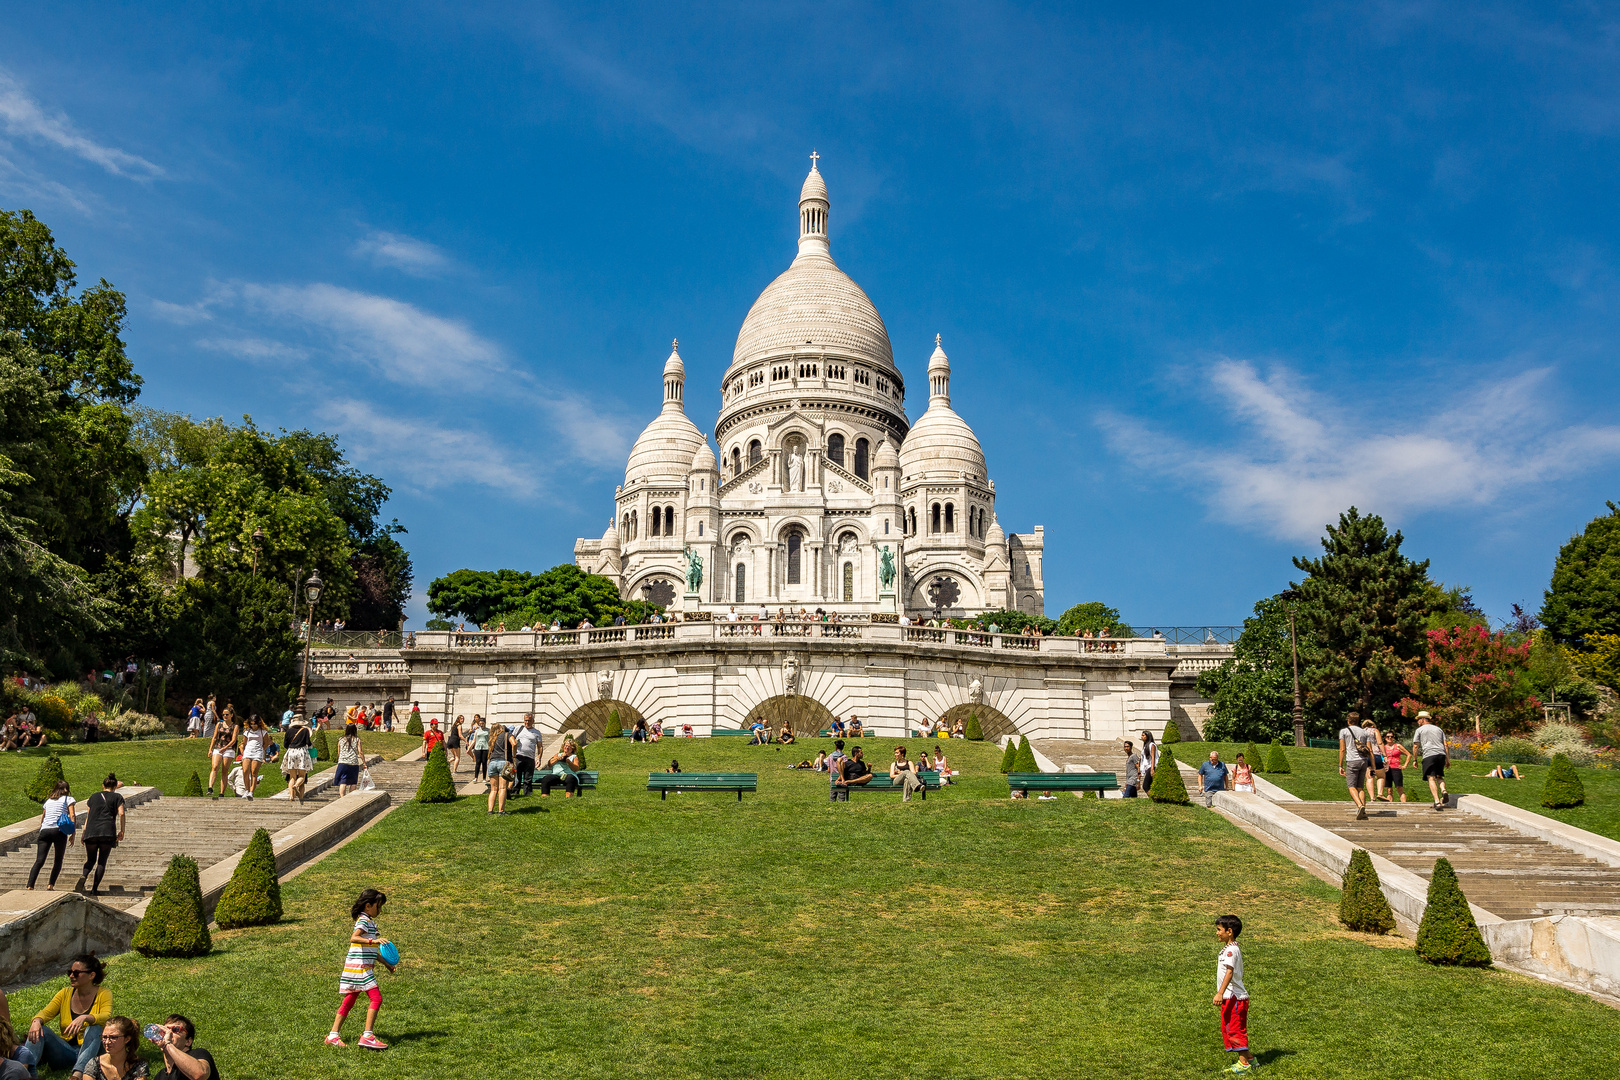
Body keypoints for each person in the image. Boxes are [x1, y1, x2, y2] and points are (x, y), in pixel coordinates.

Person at [19, 953, 109, 1075]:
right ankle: (23, 1072)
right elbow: (46, 1012)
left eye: (76, 973)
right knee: (40, 1029)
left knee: (95, 1027)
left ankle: (78, 1073)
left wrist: (86, 1017)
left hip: (92, 1054)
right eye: (69, 972)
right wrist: (36, 1021)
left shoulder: (103, 993)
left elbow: (106, 1016)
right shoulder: (65, 993)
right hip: (66, 1052)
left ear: (91, 975)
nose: (71, 976)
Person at [328, 888, 394, 1051]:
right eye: (378, 906)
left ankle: (332, 1036)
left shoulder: (369, 921)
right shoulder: (363, 921)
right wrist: (375, 940)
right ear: (368, 906)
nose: (380, 910)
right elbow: (354, 938)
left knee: (350, 1000)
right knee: (376, 998)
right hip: (360, 968)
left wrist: (386, 963)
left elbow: (370, 950)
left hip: (357, 966)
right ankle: (367, 1036)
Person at [1211, 915, 1255, 1073]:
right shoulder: (1229, 949)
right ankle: (1251, 1059)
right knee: (1229, 1028)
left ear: (1229, 931)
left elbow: (1229, 972)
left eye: (1219, 930)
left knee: (1236, 1029)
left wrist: (1219, 993)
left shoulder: (1231, 951)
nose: (1217, 933)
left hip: (1235, 997)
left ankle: (1243, 1065)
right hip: (1231, 998)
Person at [79, 774, 125, 897]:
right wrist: (122, 831)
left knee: (90, 860)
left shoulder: (93, 797)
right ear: (115, 786)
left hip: (91, 832)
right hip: (107, 832)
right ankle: (94, 888)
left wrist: (84, 832)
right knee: (101, 862)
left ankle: (84, 875)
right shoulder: (117, 797)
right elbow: (121, 813)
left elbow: (88, 816)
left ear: (103, 786)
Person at [27, 780, 75, 890]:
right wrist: (73, 833)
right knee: (58, 859)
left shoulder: (48, 801)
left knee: (39, 860)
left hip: (45, 830)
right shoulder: (69, 799)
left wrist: (42, 828)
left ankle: (30, 885)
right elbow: (72, 815)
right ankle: (50, 884)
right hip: (59, 830)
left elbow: (43, 817)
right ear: (67, 789)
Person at [150, 1014, 220, 1080]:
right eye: (165, 1030)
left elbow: (200, 1074)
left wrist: (168, 1044)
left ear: (188, 1041)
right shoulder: (160, 1076)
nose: (168, 1033)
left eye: (176, 1029)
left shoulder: (198, 1054)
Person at [1338, 710, 1376, 821]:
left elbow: (1342, 749)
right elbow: (1369, 750)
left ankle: (1360, 806)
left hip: (1352, 760)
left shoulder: (1344, 731)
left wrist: (1340, 765)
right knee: (1360, 787)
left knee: (1351, 786)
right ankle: (1363, 811)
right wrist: (1373, 766)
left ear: (1349, 720)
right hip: (1363, 761)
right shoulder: (1365, 732)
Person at [80, 1015, 144, 1079]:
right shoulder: (94, 1065)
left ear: (127, 1039)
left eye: (113, 1037)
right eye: (104, 1037)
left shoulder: (138, 1066)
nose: (107, 1042)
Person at [1411, 711, 1450, 811]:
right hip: (1441, 754)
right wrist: (1447, 759)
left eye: (1419, 719)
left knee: (1431, 777)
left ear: (1423, 719)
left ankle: (1437, 801)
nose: (1418, 721)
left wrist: (1415, 759)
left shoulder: (1420, 730)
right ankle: (1444, 790)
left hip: (1429, 755)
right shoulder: (1439, 729)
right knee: (1439, 776)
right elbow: (1445, 744)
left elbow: (1416, 746)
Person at [282, 719, 315, 804]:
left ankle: (291, 796)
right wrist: (312, 744)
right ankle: (296, 785)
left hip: (291, 751)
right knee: (302, 775)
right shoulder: (305, 730)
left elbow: (285, 744)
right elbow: (308, 742)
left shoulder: (289, 731)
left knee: (292, 777)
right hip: (301, 752)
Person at [205, 713, 237, 800]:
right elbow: (215, 737)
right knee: (215, 767)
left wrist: (225, 748)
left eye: (227, 714)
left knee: (224, 770)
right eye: (223, 714)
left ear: (231, 715)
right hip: (218, 747)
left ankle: (222, 792)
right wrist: (210, 749)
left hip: (229, 748)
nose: (224, 716)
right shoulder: (219, 724)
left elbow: (234, 740)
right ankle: (210, 787)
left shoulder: (235, 726)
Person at [239, 715, 269, 800]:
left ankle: (251, 791)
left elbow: (266, 743)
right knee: (245, 771)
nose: (253, 725)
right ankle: (247, 790)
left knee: (254, 772)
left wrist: (261, 750)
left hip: (257, 752)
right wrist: (243, 751)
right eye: (251, 724)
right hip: (248, 751)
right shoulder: (247, 731)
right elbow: (244, 743)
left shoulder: (263, 732)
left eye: (254, 724)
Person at [514, 715, 544, 798]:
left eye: (529, 720)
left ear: (533, 721)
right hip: (518, 756)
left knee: (528, 778)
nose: (527, 722)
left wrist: (539, 758)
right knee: (517, 776)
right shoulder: (518, 729)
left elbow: (540, 746)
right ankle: (515, 792)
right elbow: (511, 740)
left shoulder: (536, 732)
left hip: (530, 758)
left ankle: (527, 794)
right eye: (526, 720)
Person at [486, 720, 512, 814]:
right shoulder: (506, 735)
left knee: (493, 789)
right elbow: (515, 743)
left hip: (492, 763)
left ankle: (490, 810)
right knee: (502, 788)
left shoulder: (492, 738)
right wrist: (514, 755)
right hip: (503, 762)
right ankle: (501, 810)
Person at [1378, 730, 1408, 803]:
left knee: (1399, 788)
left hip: (1396, 768)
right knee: (1389, 790)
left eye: (1391, 736)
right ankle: (1390, 806)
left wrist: (1405, 765)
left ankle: (1404, 805)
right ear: (1385, 738)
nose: (1390, 738)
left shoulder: (1397, 746)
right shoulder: (1383, 747)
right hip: (1387, 769)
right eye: (1388, 737)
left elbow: (1408, 754)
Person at [334, 723, 364, 797]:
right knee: (353, 781)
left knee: (342, 781)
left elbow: (339, 751)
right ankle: (351, 797)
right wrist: (364, 762)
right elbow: (360, 752)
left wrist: (341, 759)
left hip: (342, 762)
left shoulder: (341, 739)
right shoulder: (357, 739)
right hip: (353, 762)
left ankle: (342, 797)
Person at [471, 718, 490, 786]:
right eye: (480, 724)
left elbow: (490, 740)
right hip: (478, 747)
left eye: (482, 723)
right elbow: (474, 740)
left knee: (484, 763)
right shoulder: (477, 730)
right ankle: (476, 777)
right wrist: (469, 748)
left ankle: (484, 778)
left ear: (485, 723)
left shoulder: (488, 730)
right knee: (478, 762)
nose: (481, 725)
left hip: (485, 747)